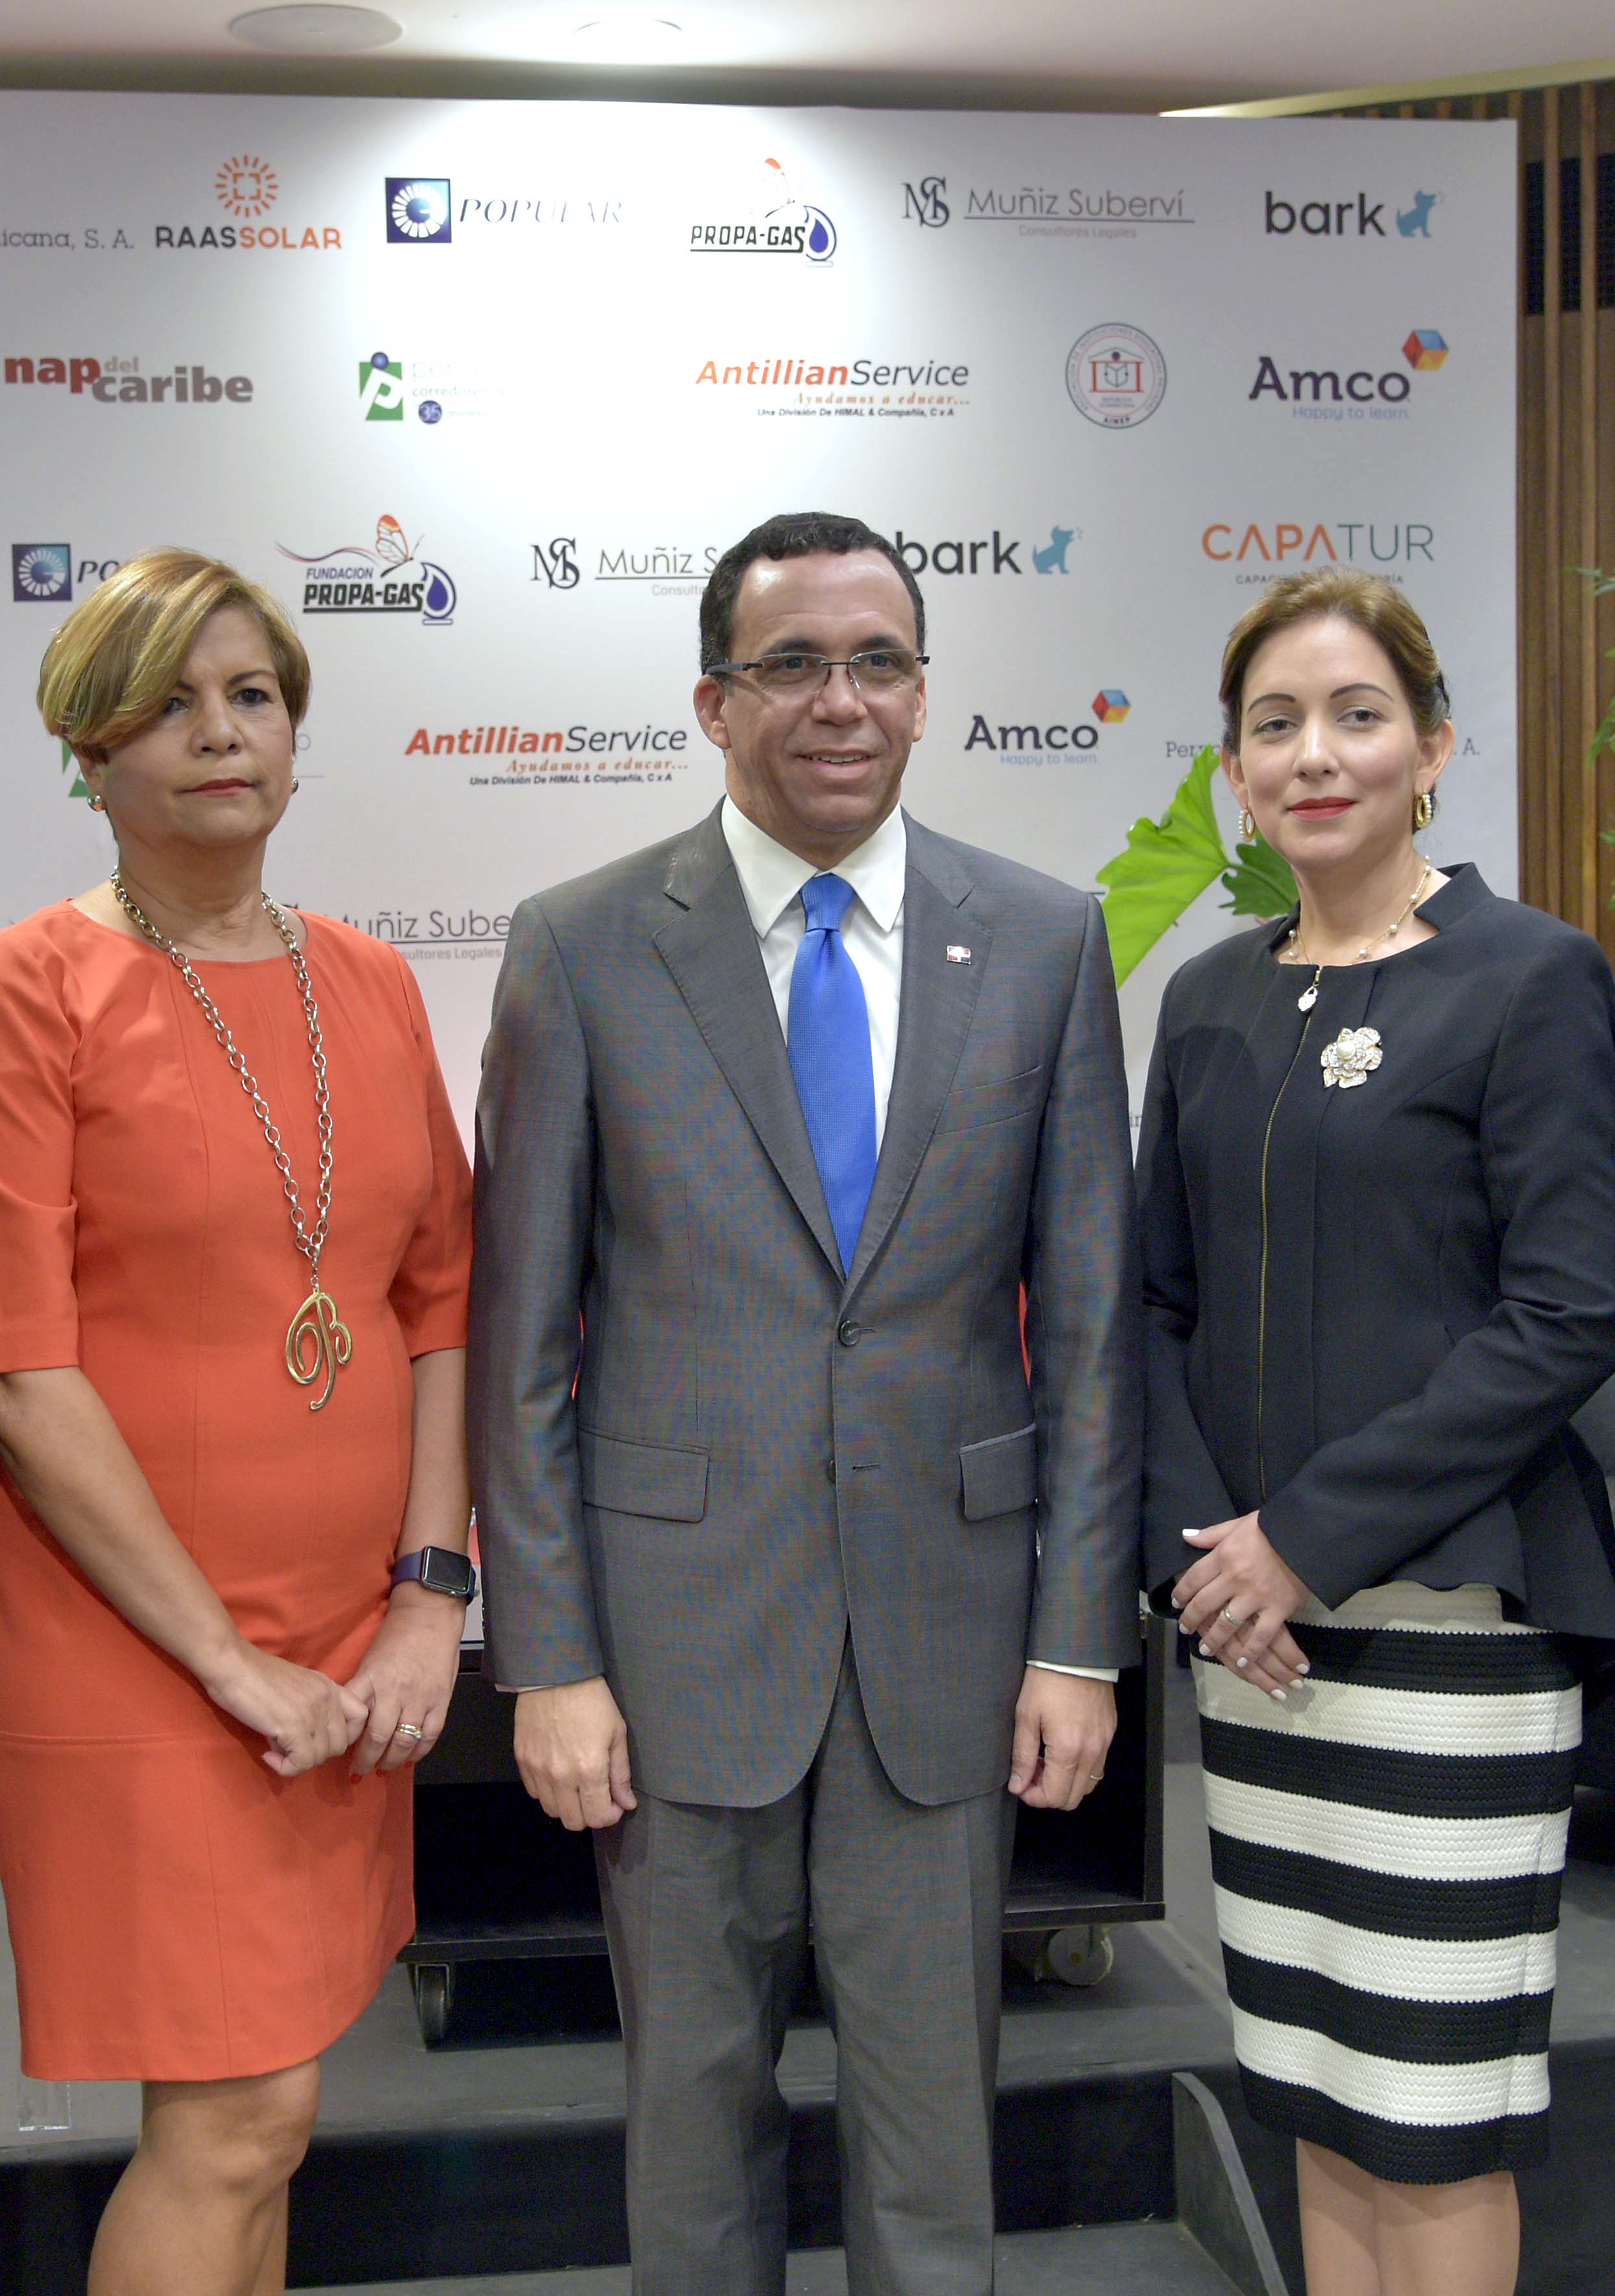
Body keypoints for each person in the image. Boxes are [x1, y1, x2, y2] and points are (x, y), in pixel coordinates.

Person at [470, 510, 1138, 2295]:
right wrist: (549, 1658)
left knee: (939, 2137)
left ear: (924, 694)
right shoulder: (583, 947)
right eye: (793, 664)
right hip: (674, 1651)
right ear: (714, 699)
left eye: (879, 662)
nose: (839, 700)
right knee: (693, 2129)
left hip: (954, 1642)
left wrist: (1080, 1636)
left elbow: (1085, 1330)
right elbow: (522, 1340)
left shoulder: (1050, 942)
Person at [0, 549, 474, 2296]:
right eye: (165, 701)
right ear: (87, 749)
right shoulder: (21, 990)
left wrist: (429, 1589)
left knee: (278, 2106)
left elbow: (435, 1306)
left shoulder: (376, 983)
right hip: (138, 1646)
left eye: (251, 694)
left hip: (346, 1635)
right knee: (234, 2115)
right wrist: (228, 1661)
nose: (217, 732)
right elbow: (13, 1361)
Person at [1136, 571, 1615, 2295]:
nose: (1314, 754)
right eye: (1274, 725)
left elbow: (1566, 1315)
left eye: (1357, 716)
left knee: (1432, 2116)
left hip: (1448, 1629)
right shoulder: (1205, 1000)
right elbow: (1156, 1307)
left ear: (1433, 745)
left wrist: (1304, 1538)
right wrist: (1213, 1559)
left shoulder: (1530, 976)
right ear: (1237, 770)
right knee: (1317, 2094)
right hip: (1250, 1642)